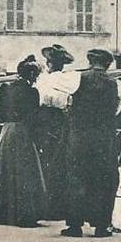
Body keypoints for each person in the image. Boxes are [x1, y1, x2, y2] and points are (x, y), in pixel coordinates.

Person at [0, 56, 47, 227]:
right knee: (24, 172)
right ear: (31, 75)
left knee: (4, 171)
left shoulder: (4, 89)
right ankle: (24, 214)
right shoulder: (32, 92)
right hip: (23, 132)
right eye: (35, 75)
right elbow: (34, 117)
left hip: (7, 131)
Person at [62, 48, 121, 239]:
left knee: (77, 178)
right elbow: (116, 112)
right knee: (104, 180)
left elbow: (68, 105)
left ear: (90, 61)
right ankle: (102, 226)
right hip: (104, 139)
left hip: (80, 138)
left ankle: (75, 225)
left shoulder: (78, 78)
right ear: (107, 64)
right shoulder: (113, 84)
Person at [34, 44, 77, 220]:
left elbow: (40, 99)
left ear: (52, 63)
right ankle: (58, 206)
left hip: (46, 120)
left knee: (45, 162)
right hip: (60, 120)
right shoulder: (68, 79)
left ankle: (47, 205)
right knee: (59, 162)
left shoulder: (47, 79)